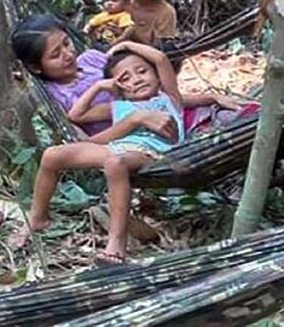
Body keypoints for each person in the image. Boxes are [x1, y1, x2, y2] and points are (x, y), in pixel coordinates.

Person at [28, 42, 188, 265]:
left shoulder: (169, 98)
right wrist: (99, 87)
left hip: (154, 154)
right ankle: (37, 220)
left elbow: (160, 58)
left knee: (115, 163)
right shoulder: (118, 107)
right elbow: (76, 116)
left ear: (157, 76)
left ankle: (116, 244)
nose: (137, 79)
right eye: (126, 78)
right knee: (52, 155)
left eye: (142, 71)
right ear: (119, 87)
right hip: (116, 148)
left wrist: (125, 44)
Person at [11, 15, 246, 138]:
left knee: (244, 115)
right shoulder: (55, 96)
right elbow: (79, 137)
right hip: (142, 141)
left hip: (170, 114)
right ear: (36, 67)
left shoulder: (92, 59)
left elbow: (152, 95)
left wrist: (211, 97)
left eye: (66, 43)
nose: (68, 53)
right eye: (55, 54)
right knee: (231, 132)